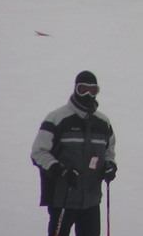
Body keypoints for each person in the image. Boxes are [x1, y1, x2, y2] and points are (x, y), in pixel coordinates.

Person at [31, 71, 117, 236]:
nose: (87, 94)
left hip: (91, 199)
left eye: (92, 90)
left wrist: (110, 166)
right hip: (63, 197)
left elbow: (109, 151)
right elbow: (38, 152)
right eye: (82, 89)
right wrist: (60, 170)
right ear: (75, 89)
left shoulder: (103, 122)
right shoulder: (57, 118)